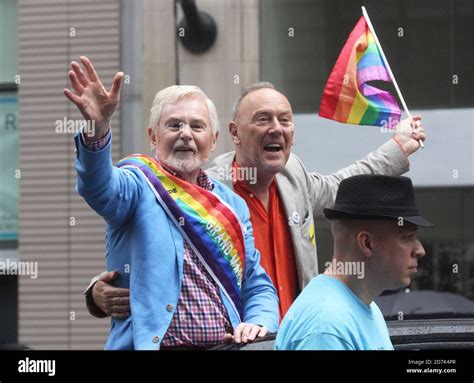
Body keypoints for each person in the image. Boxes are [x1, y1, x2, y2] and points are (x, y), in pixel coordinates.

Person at [85, 82, 426, 318]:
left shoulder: (294, 175)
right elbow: (148, 246)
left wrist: (397, 149)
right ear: (233, 133)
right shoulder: (204, 189)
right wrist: (97, 293)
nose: (276, 128)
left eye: (284, 120)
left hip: (298, 337)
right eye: (263, 119)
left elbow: (341, 188)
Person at [65, 56, 279, 350]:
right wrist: (97, 130)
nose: (186, 134)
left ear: (214, 140)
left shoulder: (232, 204)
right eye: (174, 125)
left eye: (197, 126)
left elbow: (256, 285)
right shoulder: (137, 183)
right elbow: (98, 187)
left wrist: (258, 324)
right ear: (153, 136)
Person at [274, 174, 433, 350]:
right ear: (367, 243)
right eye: (407, 237)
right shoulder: (327, 327)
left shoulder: (363, 307)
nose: (420, 250)